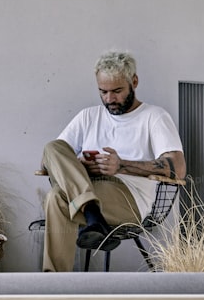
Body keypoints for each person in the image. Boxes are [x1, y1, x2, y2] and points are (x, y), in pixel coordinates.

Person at [41, 50, 186, 272]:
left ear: (134, 81)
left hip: (129, 197)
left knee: (56, 198)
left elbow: (178, 168)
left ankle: (53, 282)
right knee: (52, 148)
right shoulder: (88, 116)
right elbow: (49, 160)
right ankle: (93, 215)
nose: (110, 99)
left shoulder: (154, 117)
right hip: (90, 186)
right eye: (103, 92)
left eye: (117, 91)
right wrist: (79, 166)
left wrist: (121, 165)